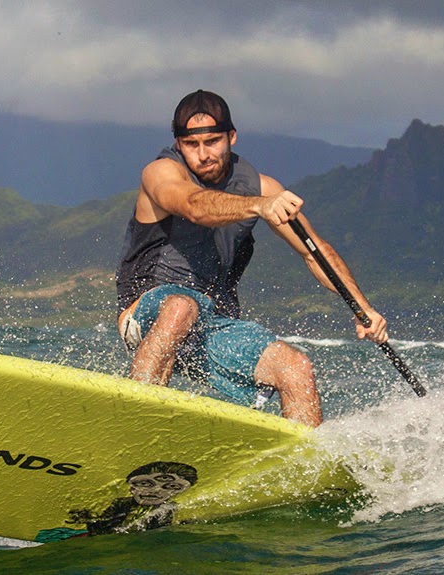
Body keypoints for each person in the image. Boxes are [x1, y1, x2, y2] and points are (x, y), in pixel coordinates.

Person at [115, 89, 388, 427]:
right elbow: (193, 206)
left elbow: (313, 251)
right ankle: (133, 426)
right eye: (191, 145)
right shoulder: (161, 173)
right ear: (178, 144)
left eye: (213, 142)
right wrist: (258, 205)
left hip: (211, 325)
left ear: (231, 136)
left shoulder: (261, 187)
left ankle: (308, 468)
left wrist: (363, 309)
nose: (203, 155)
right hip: (147, 314)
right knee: (181, 306)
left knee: (295, 367)